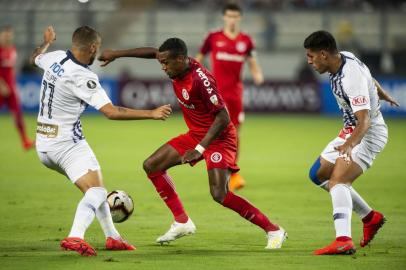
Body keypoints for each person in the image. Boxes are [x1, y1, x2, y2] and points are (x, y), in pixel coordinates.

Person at [98, 38, 287, 249]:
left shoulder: (200, 80)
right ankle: (182, 221)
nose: (163, 67)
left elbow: (223, 117)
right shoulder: (174, 64)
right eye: (161, 62)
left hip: (219, 139)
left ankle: (273, 229)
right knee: (151, 165)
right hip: (196, 134)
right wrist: (117, 53)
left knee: (219, 194)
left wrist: (199, 149)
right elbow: (153, 52)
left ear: (180, 59)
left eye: (166, 63)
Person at [30, 25, 172, 256]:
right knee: (96, 192)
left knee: (95, 187)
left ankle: (113, 237)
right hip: (66, 144)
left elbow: (35, 57)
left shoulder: (53, 57)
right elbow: (111, 111)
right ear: (93, 47)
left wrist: (46, 42)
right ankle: (76, 237)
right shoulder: (84, 76)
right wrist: (151, 113)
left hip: (44, 144)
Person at [303, 30, 399, 255]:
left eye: (311, 56)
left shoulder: (350, 78)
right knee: (317, 174)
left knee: (338, 182)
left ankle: (343, 240)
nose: (309, 61)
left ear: (324, 55)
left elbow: (364, 122)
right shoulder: (345, 56)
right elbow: (370, 78)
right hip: (350, 131)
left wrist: (349, 146)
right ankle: (370, 217)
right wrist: (382, 94)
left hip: (367, 133)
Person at [195, 3, 264, 191]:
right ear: (224, 17)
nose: (232, 19)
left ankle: (233, 173)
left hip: (234, 96)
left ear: (239, 18)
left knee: (234, 133)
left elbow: (252, 61)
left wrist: (257, 74)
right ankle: (219, 169)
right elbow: (199, 59)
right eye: (229, 16)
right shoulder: (213, 37)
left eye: (235, 16)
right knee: (214, 132)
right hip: (214, 95)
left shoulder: (246, 41)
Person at [0, 26, 34, 150]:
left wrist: (12, 84)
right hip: (2, 87)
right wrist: (2, 85)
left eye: (9, 35)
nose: (8, 37)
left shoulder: (12, 49)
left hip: (10, 87)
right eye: (5, 35)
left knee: (18, 113)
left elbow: (11, 70)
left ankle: (25, 141)